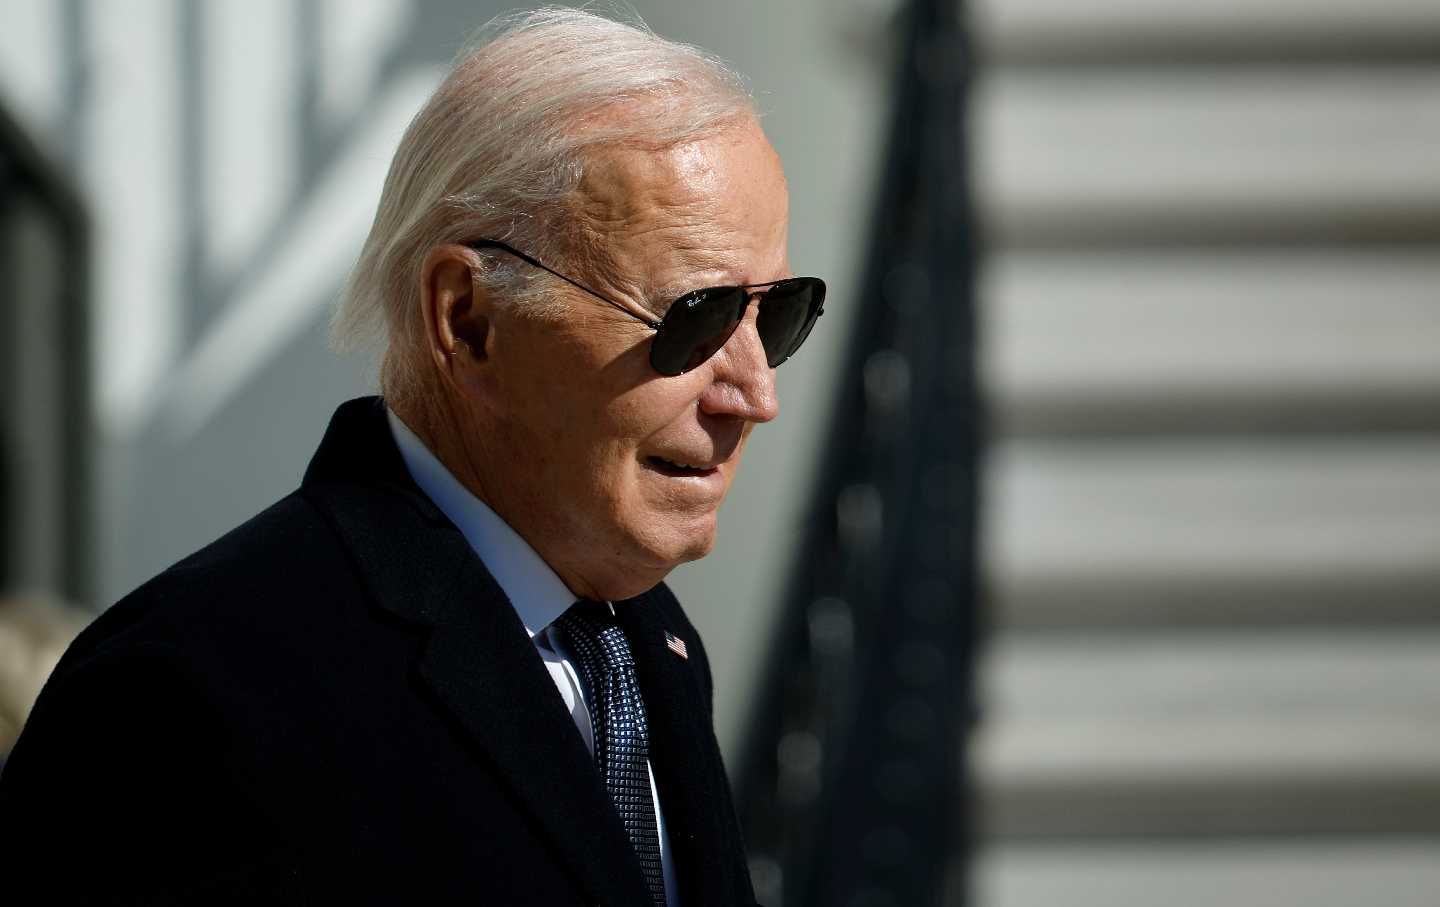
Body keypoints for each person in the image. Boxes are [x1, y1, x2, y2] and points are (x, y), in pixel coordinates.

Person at [0, 9, 825, 906]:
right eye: (695, 316)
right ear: (467, 319)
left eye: (772, 317)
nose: (754, 394)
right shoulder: (191, 692)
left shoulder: (645, 648)